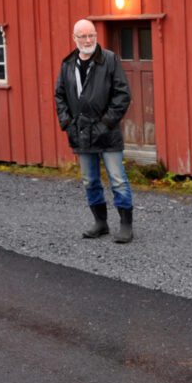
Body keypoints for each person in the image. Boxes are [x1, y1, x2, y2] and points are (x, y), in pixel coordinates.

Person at [54, 19, 135, 243]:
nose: (88, 40)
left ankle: (126, 225)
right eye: (83, 36)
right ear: (75, 38)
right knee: (90, 180)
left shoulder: (109, 59)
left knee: (118, 179)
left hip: (107, 133)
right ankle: (100, 223)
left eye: (92, 35)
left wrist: (105, 123)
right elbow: (59, 96)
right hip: (80, 133)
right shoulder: (68, 64)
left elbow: (122, 95)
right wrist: (67, 123)